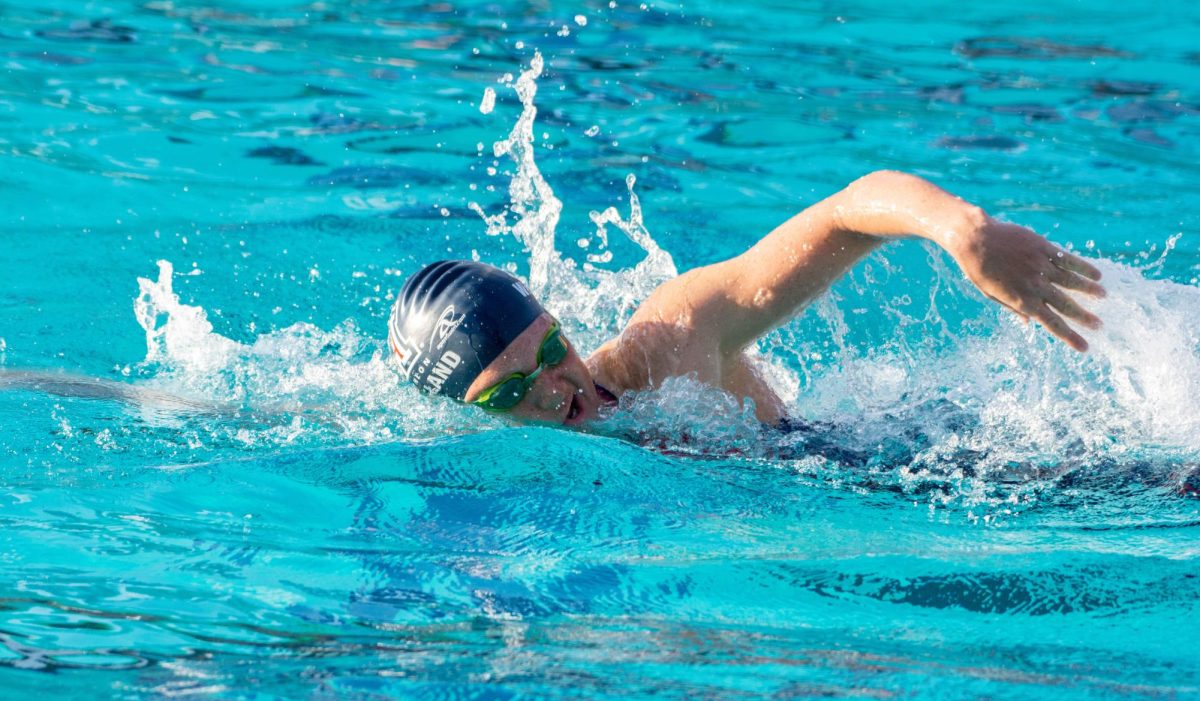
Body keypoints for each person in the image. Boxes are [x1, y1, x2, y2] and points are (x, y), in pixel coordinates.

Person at [388, 170, 1105, 429]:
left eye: (550, 350)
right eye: (509, 391)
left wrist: (960, 229)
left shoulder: (673, 339)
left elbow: (846, 212)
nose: (555, 387)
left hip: (896, 471)